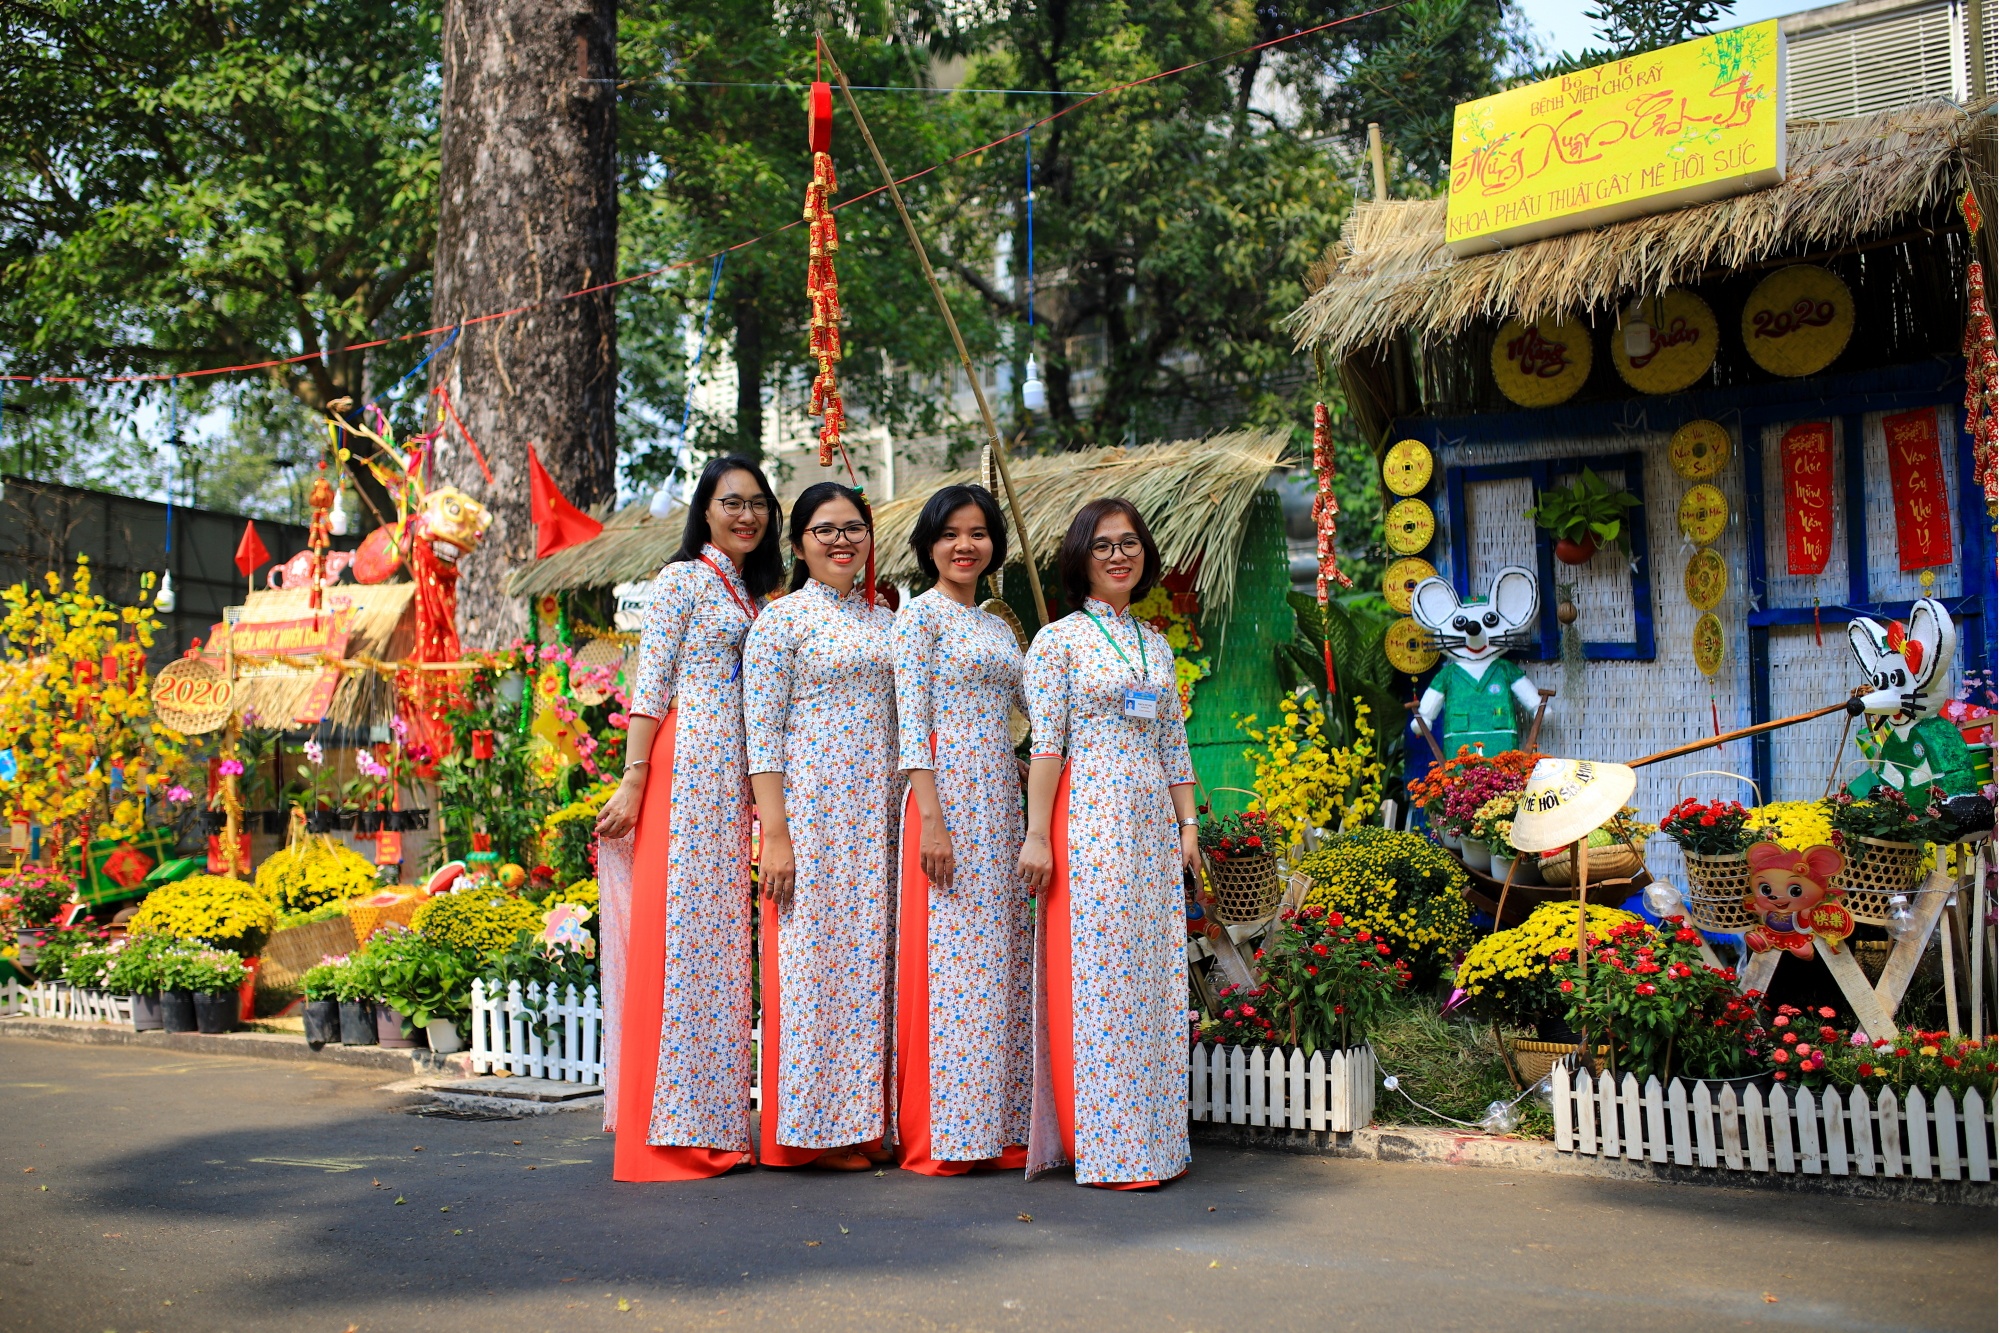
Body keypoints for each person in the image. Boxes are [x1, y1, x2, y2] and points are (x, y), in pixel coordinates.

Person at [595, 456, 784, 1182]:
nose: (746, 515)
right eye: (731, 502)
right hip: (686, 772)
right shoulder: (680, 581)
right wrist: (635, 778)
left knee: (720, 950)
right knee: (684, 943)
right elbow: (652, 685)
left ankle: (713, 1121)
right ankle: (669, 1134)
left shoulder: (745, 591)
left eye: (758, 504)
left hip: (731, 781)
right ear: (704, 509)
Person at [1017, 497, 1200, 1189]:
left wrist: (1189, 825)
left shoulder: (1156, 644)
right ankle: (1113, 1146)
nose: (1119, 554)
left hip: (1152, 823)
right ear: (1080, 558)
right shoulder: (1057, 641)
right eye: (1103, 545)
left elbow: (1174, 742)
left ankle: (1159, 1143)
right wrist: (1037, 835)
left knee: (1153, 979)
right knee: (1104, 980)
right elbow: (1046, 747)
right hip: (1089, 816)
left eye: (1129, 542)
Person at [743, 481, 901, 1171]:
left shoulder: (892, 623)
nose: (842, 540)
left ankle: (874, 1120)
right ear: (800, 543)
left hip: (886, 815)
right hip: (815, 818)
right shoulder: (781, 623)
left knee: (879, 967)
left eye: (854, 528)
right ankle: (818, 1127)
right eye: (825, 529)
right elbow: (762, 737)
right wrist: (775, 834)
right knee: (819, 968)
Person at [892, 485, 1032, 1175]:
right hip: (945, 799)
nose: (964, 545)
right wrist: (932, 821)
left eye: (978, 532)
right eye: (950, 533)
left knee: (1001, 962)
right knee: (953, 969)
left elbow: (1030, 716)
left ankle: (1003, 1125)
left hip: (1001, 799)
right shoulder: (917, 619)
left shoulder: (999, 627)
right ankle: (949, 1131)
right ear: (929, 544)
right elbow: (913, 728)